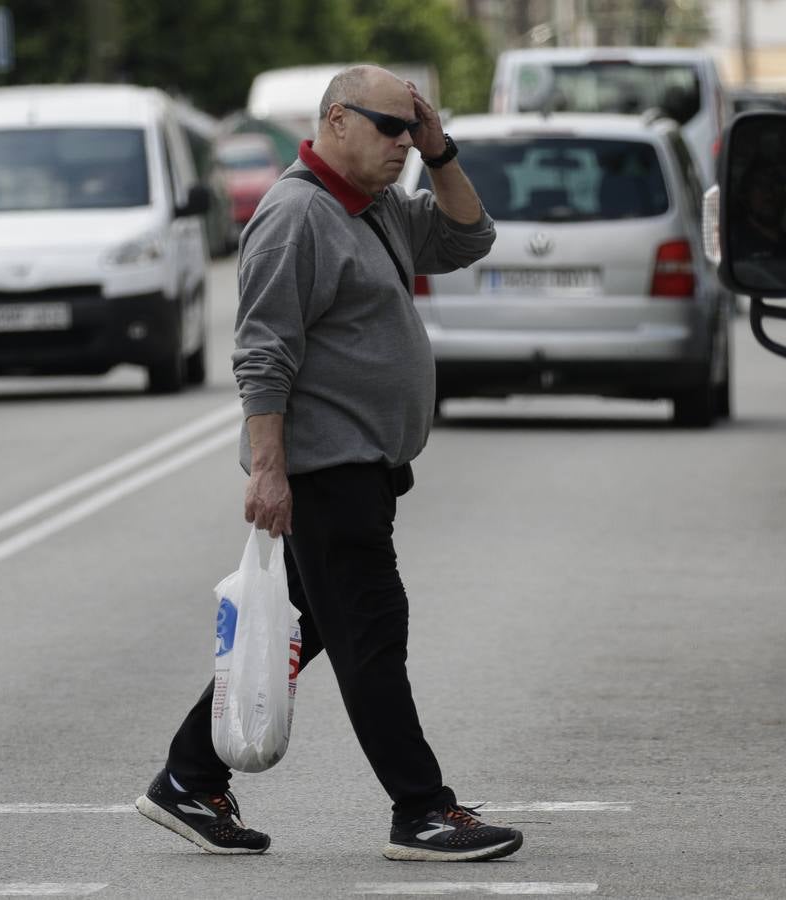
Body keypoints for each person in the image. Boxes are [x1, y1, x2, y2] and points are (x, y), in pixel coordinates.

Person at [136, 65, 524, 863]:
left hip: (364, 468)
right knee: (373, 632)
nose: (402, 145)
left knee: (306, 624)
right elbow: (263, 353)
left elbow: (468, 238)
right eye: (389, 128)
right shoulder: (295, 215)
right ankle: (421, 810)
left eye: (410, 130)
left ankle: (187, 778)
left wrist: (441, 150)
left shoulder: (374, 206)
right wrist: (268, 471)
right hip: (325, 470)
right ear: (336, 122)